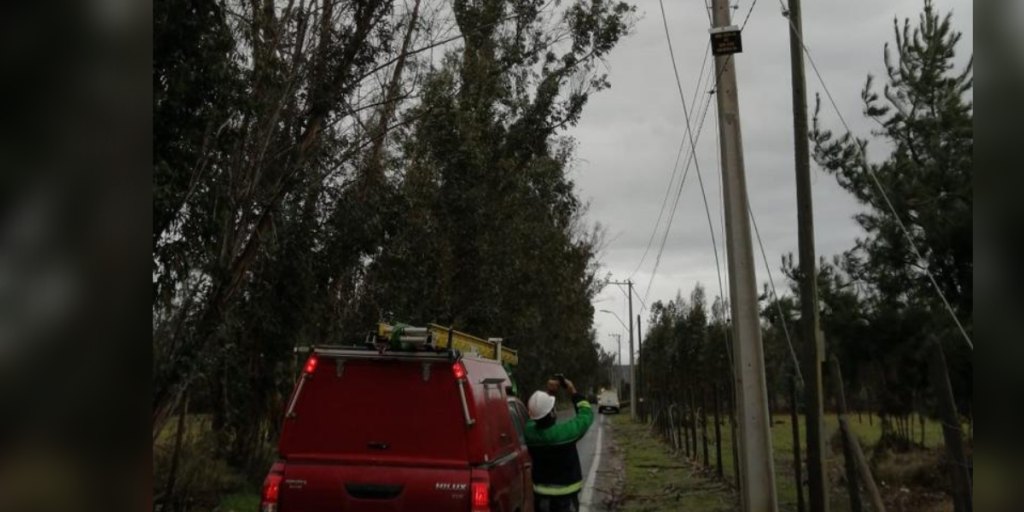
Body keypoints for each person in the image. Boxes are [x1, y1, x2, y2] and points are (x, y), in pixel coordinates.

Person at [525, 376, 594, 512]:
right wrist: (572, 391)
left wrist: (548, 394)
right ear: (552, 413)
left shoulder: (529, 433)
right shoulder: (563, 434)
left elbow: (537, 414)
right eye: (553, 408)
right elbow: (586, 414)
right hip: (565, 502)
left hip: (541, 500)